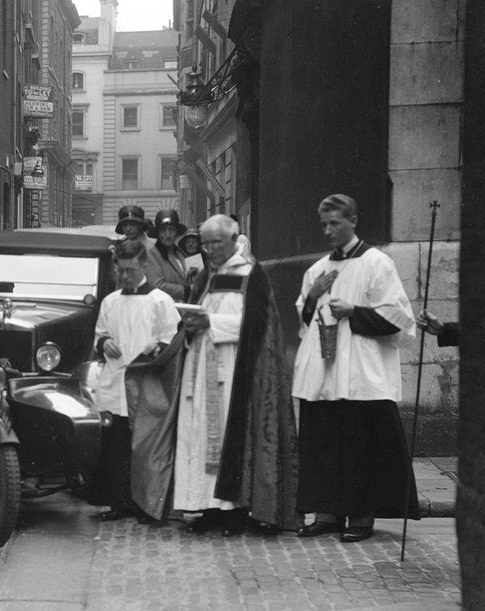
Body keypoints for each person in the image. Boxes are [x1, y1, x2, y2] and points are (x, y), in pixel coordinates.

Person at [293, 193, 419, 543]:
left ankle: (361, 518)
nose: (329, 230)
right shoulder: (317, 270)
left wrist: (354, 311)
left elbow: (399, 317)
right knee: (324, 443)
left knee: (361, 444)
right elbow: (304, 318)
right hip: (324, 368)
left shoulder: (377, 263)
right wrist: (314, 297)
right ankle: (328, 514)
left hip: (362, 368)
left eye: (335, 223)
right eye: (324, 224)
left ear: (353, 221)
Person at [173, 214, 298, 536]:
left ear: (233, 240)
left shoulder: (252, 275)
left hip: (234, 369)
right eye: (205, 243)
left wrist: (211, 324)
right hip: (200, 368)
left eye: (216, 243)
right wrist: (188, 325)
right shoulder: (205, 276)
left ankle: (234, 510)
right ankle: (207, 507)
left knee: (231, 437)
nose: (210, 249)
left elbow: (260, 325)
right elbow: (193, 309)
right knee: (199, 436)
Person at [90, 239, 180, 522]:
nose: (125, 276)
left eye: (130, 270)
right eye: (121, 270)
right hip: (115, 380)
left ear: (143, 266)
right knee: (116, 444)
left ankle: (147, 504)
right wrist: (104, 343)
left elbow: (173, 338)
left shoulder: (160, 302)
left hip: (146, 382)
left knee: (145, 446)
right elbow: (100, 333)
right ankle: (118, 502)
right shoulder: (110, 301)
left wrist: (159, 347)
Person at [144, 209, 194, 302]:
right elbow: (157, 286)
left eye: (171, 230)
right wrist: (186, 291)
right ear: (158, 233)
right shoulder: (152, 254)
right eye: (163, 230)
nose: (167, 235)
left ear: (177, 232)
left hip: (186, 309)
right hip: (164, 309)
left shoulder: (181, 253)